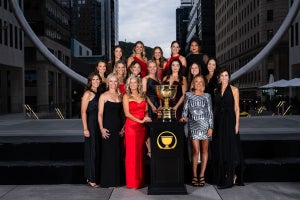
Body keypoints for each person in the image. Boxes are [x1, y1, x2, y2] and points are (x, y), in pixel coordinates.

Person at [212, 67, 244, 189]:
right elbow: (215, 109)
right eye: (222, 76)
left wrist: (237, 125)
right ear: (219, 78)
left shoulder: (234, 89)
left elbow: (237, 108)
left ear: (229, 77)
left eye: (226, 75)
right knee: (221, 149)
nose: (224, 78)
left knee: (231, 149)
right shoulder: (216, 90)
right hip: (219, 122)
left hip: (230, 121)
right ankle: (224, 175)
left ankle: (232, 176)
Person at [180, 75, 213, 187]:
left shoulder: (207, 96)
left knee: (204, 151)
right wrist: (183, 118)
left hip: (205, 125)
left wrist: (211, 127)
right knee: (195, 151)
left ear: (203, 84)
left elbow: (210, 113)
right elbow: (185, 110)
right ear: (193, 84)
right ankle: (194, 175)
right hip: (193, 125)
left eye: (201, 82)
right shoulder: (188, 95)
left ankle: (202, 175)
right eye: (196, 81)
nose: (198, 83)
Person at [123, 75, 152, 189]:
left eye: (135, 82)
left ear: (138, 84)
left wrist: (147, 118)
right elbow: (127, 114)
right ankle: (132, 182)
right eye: (131, 83)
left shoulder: (143, 96)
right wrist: (140, 120)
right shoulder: (126, 96)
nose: (133, 85)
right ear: (128, 85)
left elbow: (145, 112)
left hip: (141, 128)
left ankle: (140, 181)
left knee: (140, 155)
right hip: (131, 127)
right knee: (132, 155)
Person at [98, 73, 124, 187]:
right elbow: (100, 114)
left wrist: (123, 128)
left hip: (118, 129)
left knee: (117, 154)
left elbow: (122, 114)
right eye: (111, 81)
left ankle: (116, 181)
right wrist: (101, 129)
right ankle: (107, 181)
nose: (113, 84)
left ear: (117, 83)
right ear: (108, 83)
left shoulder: (120, 96)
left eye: (115, 81)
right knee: (108, 155)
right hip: (107, 128)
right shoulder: (103, 96)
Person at [81, 72, 101, 188]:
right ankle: (91, 178)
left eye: (97, 79)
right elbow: (83, 112)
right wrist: (85, 128)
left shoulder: (99, 93)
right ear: (90, 81)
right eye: (94, 80)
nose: (96, 81)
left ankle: (94, 176)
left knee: (96, 151)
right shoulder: (87, 94)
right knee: (92, 151)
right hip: (91, 125)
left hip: (98, 125)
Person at [142, 60, 161, 157]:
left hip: (158, 105)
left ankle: (155, 148)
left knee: (156, 127)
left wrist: (161, 105)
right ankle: (149, 151)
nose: (153, 68)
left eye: (155, 67)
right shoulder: (145, 79)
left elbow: (160, 95)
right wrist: (152, 106)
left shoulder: (158, 79)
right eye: (151, 67)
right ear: (148, 68)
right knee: (149, 128)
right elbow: (144, 95)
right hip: (149, 105)